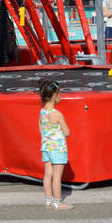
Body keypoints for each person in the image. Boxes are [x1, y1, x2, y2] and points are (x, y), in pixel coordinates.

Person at [38, 79, 72, 211]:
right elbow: (67, 132)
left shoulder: (42, 113)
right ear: (54, 96)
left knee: (48, 175)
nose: (61, 96)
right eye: (60, 93)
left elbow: (41, 129)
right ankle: (58, 202)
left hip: (46, 147)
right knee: (57, 177)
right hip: (57, 149)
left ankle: (49, 200)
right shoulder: (57, 114)